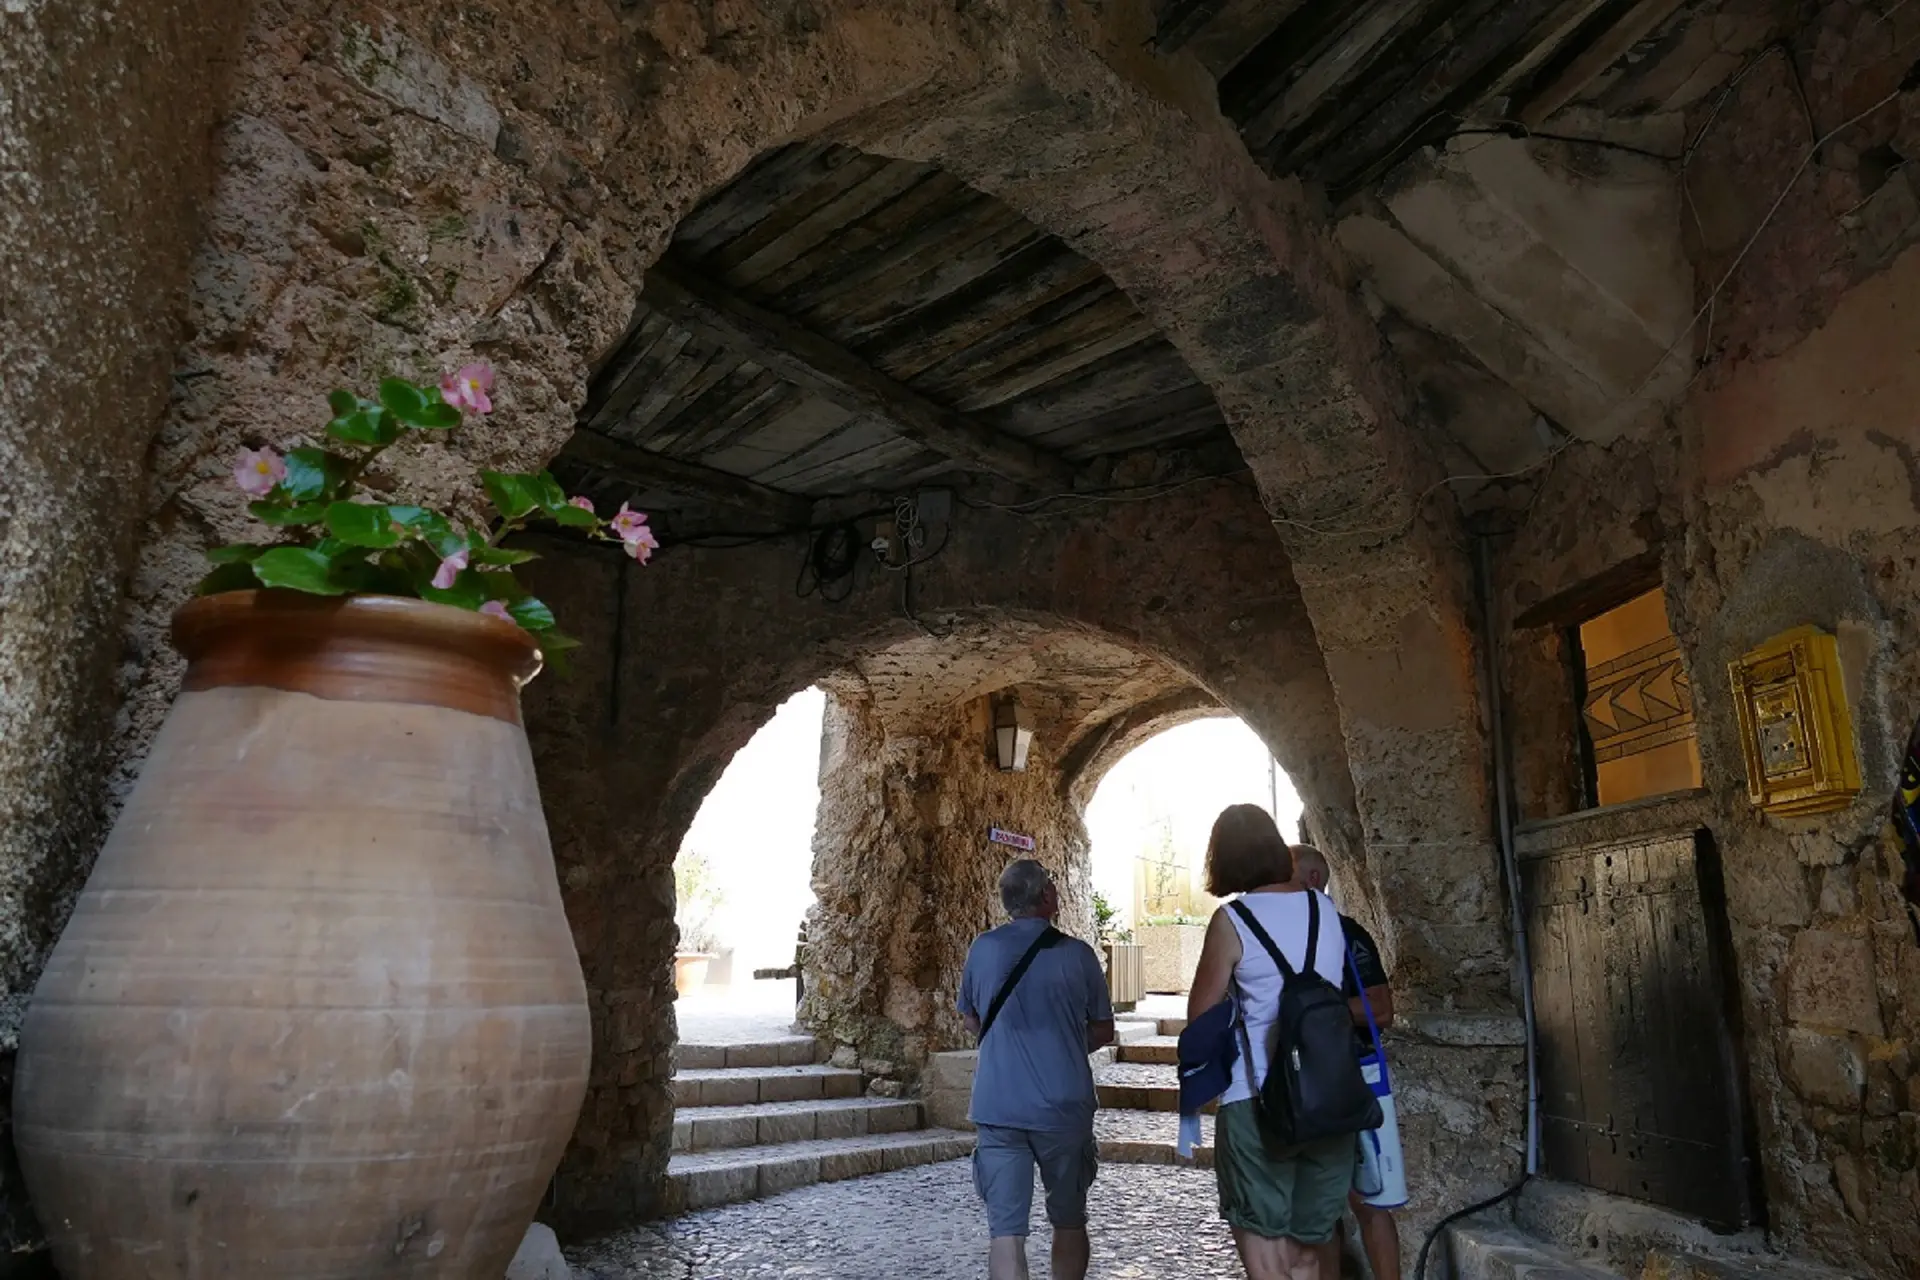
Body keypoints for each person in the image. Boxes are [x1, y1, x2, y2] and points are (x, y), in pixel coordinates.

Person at [1189, 806, 1356, 1280]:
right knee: (1308, 1253)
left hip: (1257, 1098)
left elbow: (1200, 1019)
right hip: (1328, 1098)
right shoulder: (1323, 909)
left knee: (1267, 1257)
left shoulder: (1233, 920)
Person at [957, 859, 1116, 1280]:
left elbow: (971, 1018)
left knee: (1005, 1233)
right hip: (1063, 1108)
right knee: (1068, 1219)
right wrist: (1064, 1044)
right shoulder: (1079, 956)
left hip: (998, 1105)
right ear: (1046, 896)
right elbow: (1103, 1029)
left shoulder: (982, 949)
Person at [1290, 845, 1403, 1280]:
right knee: (1319, 1210)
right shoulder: (1283, 937)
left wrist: (1314, 1008)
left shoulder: (1346, 934)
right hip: (1302, 1084)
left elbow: (1381, 1009)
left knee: (1369, 1200)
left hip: (1352, 1077)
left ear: (1314, 880)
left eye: (1287, 876)